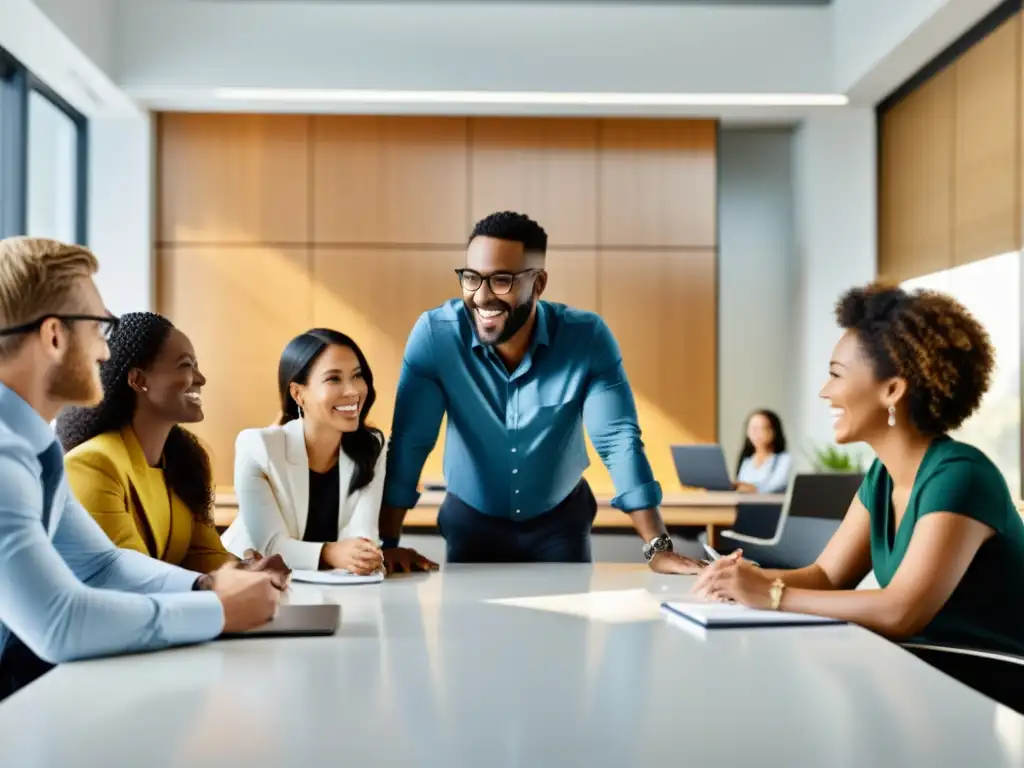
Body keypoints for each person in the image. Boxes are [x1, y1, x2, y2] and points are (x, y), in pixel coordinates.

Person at [0, 237, 281, 701]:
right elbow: (58, 621)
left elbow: (102, 563)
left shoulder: (35, 448)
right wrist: (217, 611)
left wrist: (205, 584)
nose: (106, 352)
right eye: (98, 327)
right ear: (53, 336)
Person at [694, 283, 1024, 656]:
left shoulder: (960, 475)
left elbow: (901, 611)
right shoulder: (881, 479)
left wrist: (769, 594)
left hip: (995, 681)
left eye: (836, 374)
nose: (825, 391)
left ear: (892, 390)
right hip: (928, 667)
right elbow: (827, 577)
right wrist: (741, 579)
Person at [380, 211, 702, 573]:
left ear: (538, 283)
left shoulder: (586, 337)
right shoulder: (437, 336)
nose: (481, 296)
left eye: (501, 280)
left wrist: (657, 548)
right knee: (467, 630)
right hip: (471, 521)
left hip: (560, 525)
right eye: (471, 278)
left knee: (564, 626)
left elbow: (617, 440)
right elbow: (410, 442)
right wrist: (386, 545)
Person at [56, 312, 284, 578]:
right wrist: (214, 585)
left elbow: (202, 553)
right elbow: (128, 576)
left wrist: (247, 571)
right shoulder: (93, 464)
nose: (200, 378)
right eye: (186, 365)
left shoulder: (182, 461)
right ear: (139, 380)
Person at [222, 329, 386, 574]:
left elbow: (362, 538)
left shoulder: (371, 445)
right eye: (333, 379)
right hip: (250, 578)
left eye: (357, 375)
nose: (353, 391)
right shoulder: (258, 446)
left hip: (329, 585)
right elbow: (270, 546)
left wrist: (361, 556)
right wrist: (330, 553)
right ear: (298, 394)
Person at [734, 409, 792, 494]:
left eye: (761, 428)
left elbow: (775, 487)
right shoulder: (747, 462)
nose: (756, 433)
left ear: (773, 432)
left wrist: (751, 488)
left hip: (771, 505)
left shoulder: (784, 460)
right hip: (745, 504)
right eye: (752, 429)